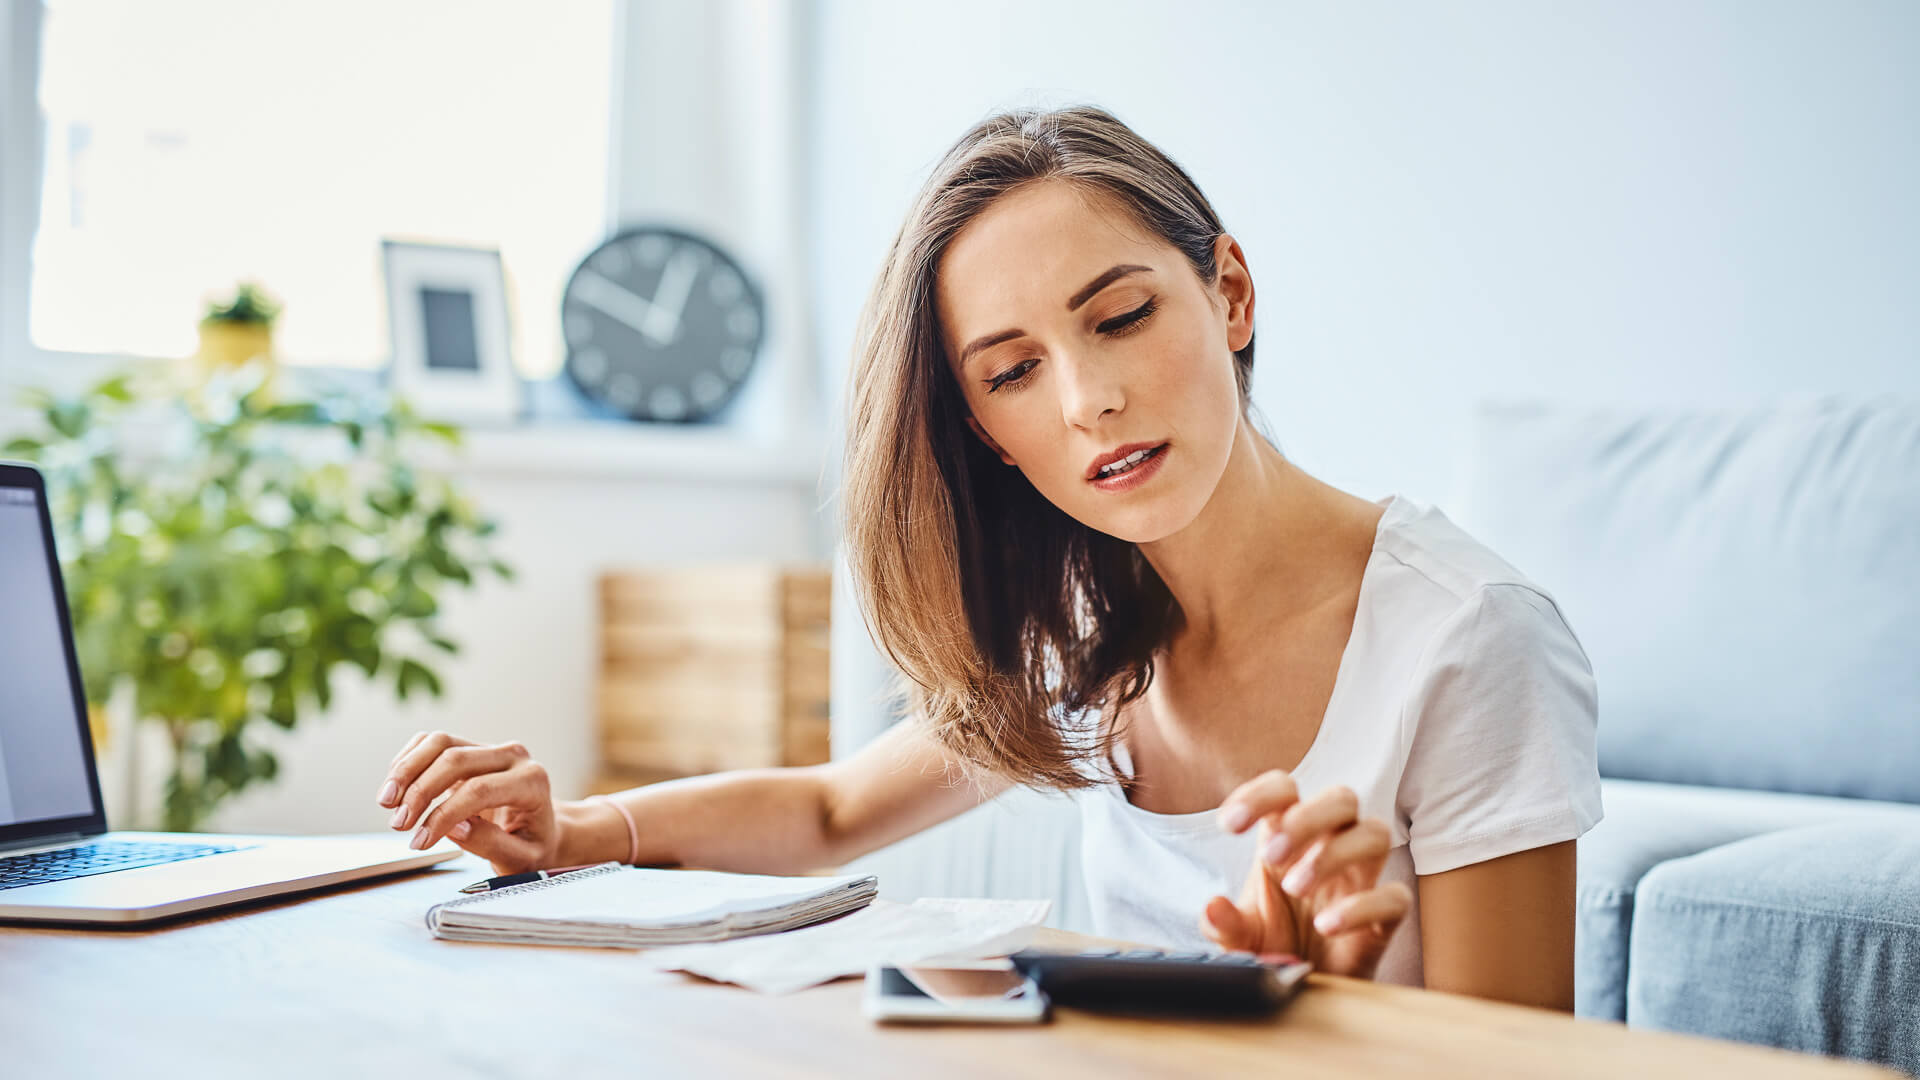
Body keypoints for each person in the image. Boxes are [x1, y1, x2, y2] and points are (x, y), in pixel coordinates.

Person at [372, 105, 1601, 1010]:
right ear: (986, 435)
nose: (1089, 401)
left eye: (1121, 317)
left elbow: (1532, 1061)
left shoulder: (1467, 635)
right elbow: (830, 808)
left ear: (1229, 293)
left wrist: (1330, 1006)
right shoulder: (1091, 622)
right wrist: (571, 831)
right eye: (1014, 372)